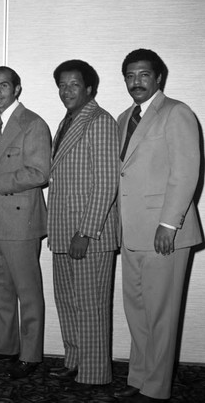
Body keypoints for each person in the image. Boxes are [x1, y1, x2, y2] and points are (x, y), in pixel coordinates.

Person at [114, 49, 202, 402]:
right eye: (130, 76)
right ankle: (139, 379)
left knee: (161, 316)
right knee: (136, 311)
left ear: (158, 78)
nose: (136, 82)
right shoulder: (123, 117)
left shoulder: (177, 113)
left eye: (143, 75)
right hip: (131, 232)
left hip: (165, 233)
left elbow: (185, 172)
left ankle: (156, 389)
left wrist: (169, 223)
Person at [0, 66, 51, 380]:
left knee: (27, 291)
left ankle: (31, 355)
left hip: (20, 221)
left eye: (4, 85)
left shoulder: (32, 124)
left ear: (17, 89)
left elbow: (40, 172)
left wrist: (0, 182)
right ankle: (3, 346)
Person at [47, 60, 119, 387]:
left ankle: (94, 374)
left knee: (90, 307)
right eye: (62, 85)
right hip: (63, 231)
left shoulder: (100, 121)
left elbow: (106, 182)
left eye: (74, 84)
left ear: (89, 88)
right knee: (67, 303)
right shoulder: (67, 121)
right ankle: (74, 360)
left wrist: (86, 232)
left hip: (89, 235)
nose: (66, 91)